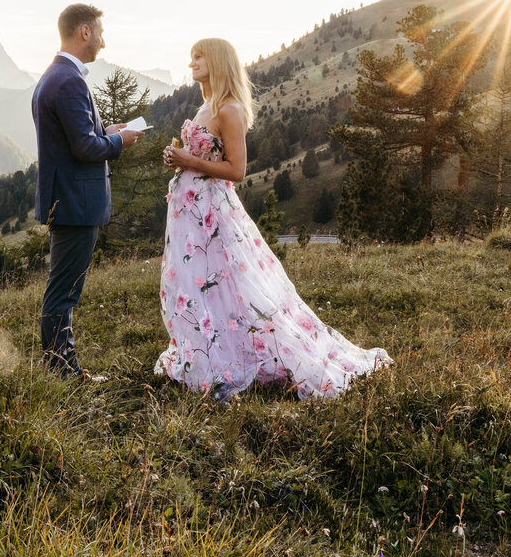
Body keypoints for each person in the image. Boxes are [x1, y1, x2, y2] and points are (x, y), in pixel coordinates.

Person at [157, 38, 390, 400]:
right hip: (189, 212)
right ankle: (203, 353)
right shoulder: (206, 105)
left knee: (228, 281)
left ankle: (239, 356)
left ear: (218, 61)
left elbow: (236, 170)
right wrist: (178, 157)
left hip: (213, 212)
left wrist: (189, 161)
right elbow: (201, 154)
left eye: (199, 57)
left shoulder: (230, 109)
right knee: (198, 283)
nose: (192, 63)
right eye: (191, 57)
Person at [32, 3, 142, 379]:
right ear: (84, 32)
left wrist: (107, 130)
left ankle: (60, 368)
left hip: (66, 199)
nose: (103, 42)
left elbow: (76, 138)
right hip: (75, 203)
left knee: (62, 287)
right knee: (64, 291)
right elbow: (85, 149)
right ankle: (62, 372)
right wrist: (120, 141)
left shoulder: (56, 75)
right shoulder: (68, 80)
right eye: (100, 33)